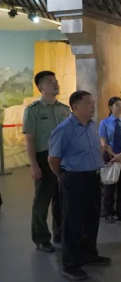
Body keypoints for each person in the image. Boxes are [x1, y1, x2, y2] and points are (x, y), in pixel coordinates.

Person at [48, 91, 110, 280]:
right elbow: (53, 159)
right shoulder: (64, 129)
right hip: (73, 179)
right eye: (88, 103)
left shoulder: (92, 126)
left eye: (93, 102)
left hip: (92, 177)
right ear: (75, 107)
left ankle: (89, 254)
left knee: (91, 219)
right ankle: (71, 265)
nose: (93, 106)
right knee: (73, 223)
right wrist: (64, 177)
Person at [22, 70, 71, 253]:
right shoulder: (33, 110)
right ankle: (41, 238)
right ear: (40, 86)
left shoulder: (64, 109)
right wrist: (34, 165)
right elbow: (30, 140)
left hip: (64, 158)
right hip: (44, 157)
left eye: (56, 81)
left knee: (61, 198)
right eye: (50, 82)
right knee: (42, 201)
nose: (55, 84)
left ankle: (60, 233)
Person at [99, 97, 121, 223]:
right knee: (109, 185)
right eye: (117, 105)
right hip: (110, 156)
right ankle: (108, 213)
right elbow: (103, 141)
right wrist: (114, 155)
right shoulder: (104, 122)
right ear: (111, 107)